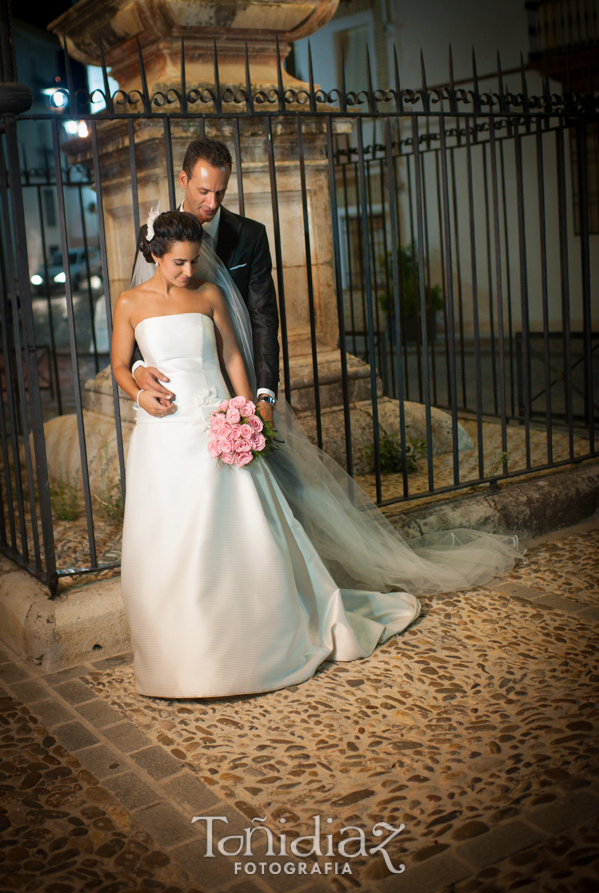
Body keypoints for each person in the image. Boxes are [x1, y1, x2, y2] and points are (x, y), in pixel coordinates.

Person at [113, 210, 524, 700]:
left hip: (213, 426)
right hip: (163, 438)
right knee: (170, 544)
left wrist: (246, 412)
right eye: (179, 262)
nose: (188, 271)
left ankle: (255, 642)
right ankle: (177, 657)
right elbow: (120, 364)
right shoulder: (129, 303)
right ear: (156, 254)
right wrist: (139, 393)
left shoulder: (208, 295)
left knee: (234, 535)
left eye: (194, 261)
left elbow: (231, 357)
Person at [130, 137, 279, 426]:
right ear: (183, 179)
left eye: (220, 192)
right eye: (203, 191)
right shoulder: (150, 234)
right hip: (174, 386)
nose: (212, 203)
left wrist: (265, 395)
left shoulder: (251, 236)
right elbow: (139, 308)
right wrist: (137, 367)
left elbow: (264, 317)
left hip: (240, 375)